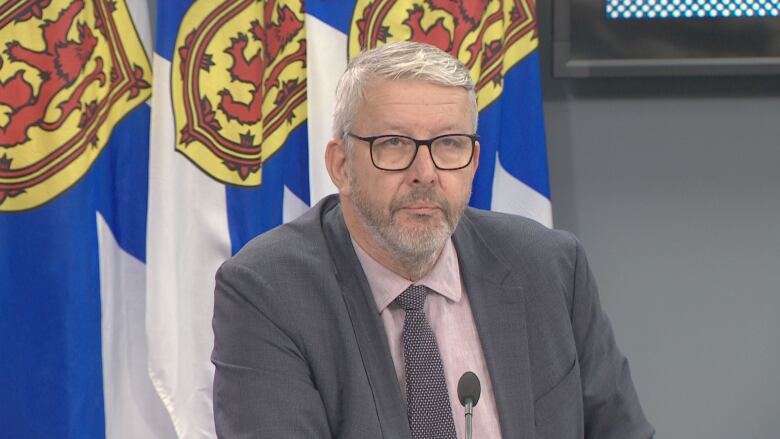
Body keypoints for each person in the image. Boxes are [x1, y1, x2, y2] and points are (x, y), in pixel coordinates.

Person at [212, 41, 654, 439]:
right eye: (394, 144)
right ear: (342, 165)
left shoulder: (549, 267)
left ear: (473, 160)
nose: (425, 172)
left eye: (448, 144)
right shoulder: (267, 292)